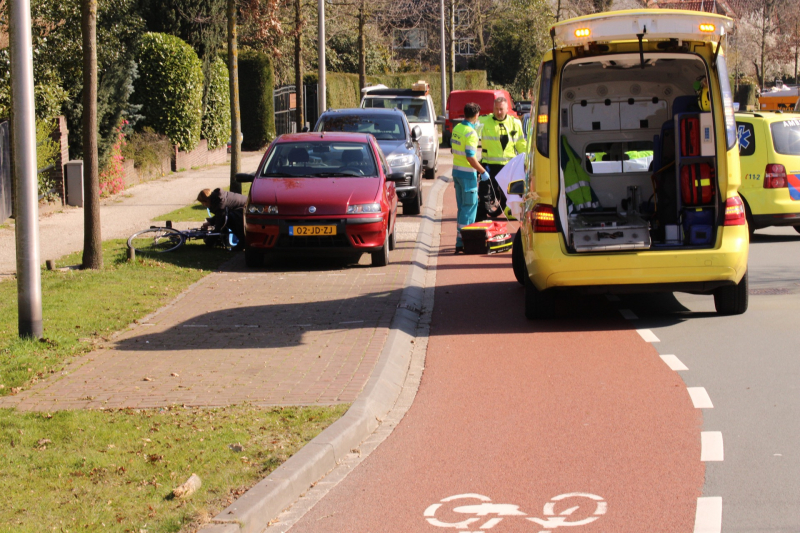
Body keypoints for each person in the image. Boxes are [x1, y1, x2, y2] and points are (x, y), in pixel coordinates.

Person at [477, 96, 526, 221]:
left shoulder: (515, 123)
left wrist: (526, 160)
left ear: (507, 109)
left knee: (510, 193)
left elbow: (521, 144)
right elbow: (472, 136)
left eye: (501, 109)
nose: (499, 112)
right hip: (489, 164)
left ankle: (511, 212)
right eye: (496, 109)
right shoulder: (483, 121)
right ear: (493, 108)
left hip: (509, 165)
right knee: (485, 192)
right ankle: (481, 217)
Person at [451, 102, 491, 254]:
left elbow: (454, 150)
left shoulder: (457, 128)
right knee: (469, 209)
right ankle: (462, 242)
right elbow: (470, 157)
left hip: (457, 173)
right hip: (468, 175)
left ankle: (461, 240)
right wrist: (482, 171)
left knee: (462, 208)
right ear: (476, 115)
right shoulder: (471, 133)